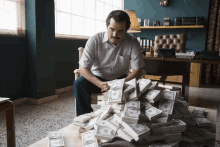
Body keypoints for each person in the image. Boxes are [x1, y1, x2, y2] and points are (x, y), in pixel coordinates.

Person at [73, 10, 145, 116]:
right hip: (98, 79)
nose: (115, 34)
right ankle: (85, 118)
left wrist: (119, 84)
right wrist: (100, 84)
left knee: (138, 87)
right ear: (107, 26)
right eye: (111, 29)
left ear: (126, 30)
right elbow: (83, 68)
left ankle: (126, 118)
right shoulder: (94, 40)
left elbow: (138, 70)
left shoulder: (133, 42)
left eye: (120, 31)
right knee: (79, 84)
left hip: (122, 80)